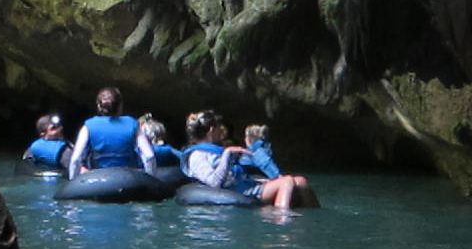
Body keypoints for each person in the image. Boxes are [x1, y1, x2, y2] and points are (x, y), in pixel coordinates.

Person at [182, 110, 316, 209]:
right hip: (238, 191)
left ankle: (315, 221)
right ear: (212, 130)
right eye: (219, 129)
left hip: (244, 184)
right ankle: (282, 223)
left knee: (300, 181)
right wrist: (227, 155)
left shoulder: (216, 149)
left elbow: (240, 169)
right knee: (286, 182)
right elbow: (214, 182)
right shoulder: (197, 156)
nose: (221, 132)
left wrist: (253, 150)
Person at [66, 87, 155, 178]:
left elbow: (76, 160)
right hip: (127, 179)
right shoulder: (132, 124)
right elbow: (149, 156)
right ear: (120, 105)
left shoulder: (89, 125)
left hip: (99, 179)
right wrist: (150, 180)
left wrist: (72, 181)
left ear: (98, 106)